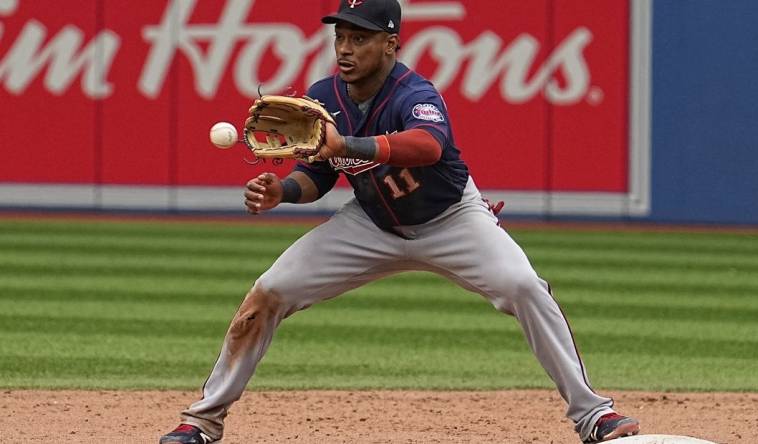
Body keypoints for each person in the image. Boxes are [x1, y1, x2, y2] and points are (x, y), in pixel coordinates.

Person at [160, 0, 640, 443]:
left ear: (390, 44)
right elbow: (317, 173)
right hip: (369, 224)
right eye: (341, 37)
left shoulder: (415, 93)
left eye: (360, 38)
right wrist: (280, 191)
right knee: (269, 292)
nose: (346, 49)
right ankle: (202, 421)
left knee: (524, 286)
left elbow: (427, 146)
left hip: (453, 219)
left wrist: (348, 145)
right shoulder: (324, 95)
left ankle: (593, 413)